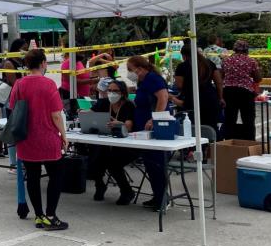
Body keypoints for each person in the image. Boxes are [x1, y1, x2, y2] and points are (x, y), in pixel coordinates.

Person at [10, 48, 69, 231]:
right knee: (56, 175)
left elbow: (13, 109)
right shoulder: (49, 84)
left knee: (33, 177)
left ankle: (39, 215)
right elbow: (56, 115)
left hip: (26, 138)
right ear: (43, 63)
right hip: (47, 137)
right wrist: (63, 136)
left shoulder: (19, 84)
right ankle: (51, 215)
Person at [127, 55, 170, 210]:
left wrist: (155, 118)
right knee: (150, 163)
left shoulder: (152, 78)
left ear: (140, 68)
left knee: (156, 163)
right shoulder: (144, 81)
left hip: (153, 127)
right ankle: (157, 196)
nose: (130, 73)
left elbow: (163, 97)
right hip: (143, 127)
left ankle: (162, 198)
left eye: (130, 70)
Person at [91, 80, 138, 205]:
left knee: (113, 163)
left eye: (115, 91)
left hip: (127, 145)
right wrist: (84, 113)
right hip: (107, 142)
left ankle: (126, 191)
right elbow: (91, 114)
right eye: (109, 90)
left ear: (122, 93)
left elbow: (129, 125)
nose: (111, 93)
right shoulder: (103, 103)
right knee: (95, 157)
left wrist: (119, 124)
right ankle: (99, 185)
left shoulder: (128, 105)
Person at [172, 43, 224, 135]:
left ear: (184, 55)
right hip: (211, 99)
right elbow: (219, 82)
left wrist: (172, 97)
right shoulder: (209, 63)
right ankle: (212, 148)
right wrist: (220, 97)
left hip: (192, 100)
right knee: (211, 129)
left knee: (194, 130)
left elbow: (179, 85)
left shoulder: (182, 66)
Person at [221, 40, 262, 140]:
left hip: (228, 91)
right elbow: (257, 78)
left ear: (234, 49)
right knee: (248, 120)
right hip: (245, 93)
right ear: (246, 50)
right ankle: (249, 142)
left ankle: (229, 142)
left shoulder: (226, 60)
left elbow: (222, 75)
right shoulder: (251, 61)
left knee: (230, 119)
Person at [2, 38, 28, 172]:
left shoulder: (22, 61)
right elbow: (14, 83)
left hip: (23, 99)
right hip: (13, 100)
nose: (26, 51)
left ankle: (23, 161)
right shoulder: (9, 63)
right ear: (17, 48)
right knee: (13, 132)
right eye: (24, 48)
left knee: (23, 131)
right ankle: (13, 163)